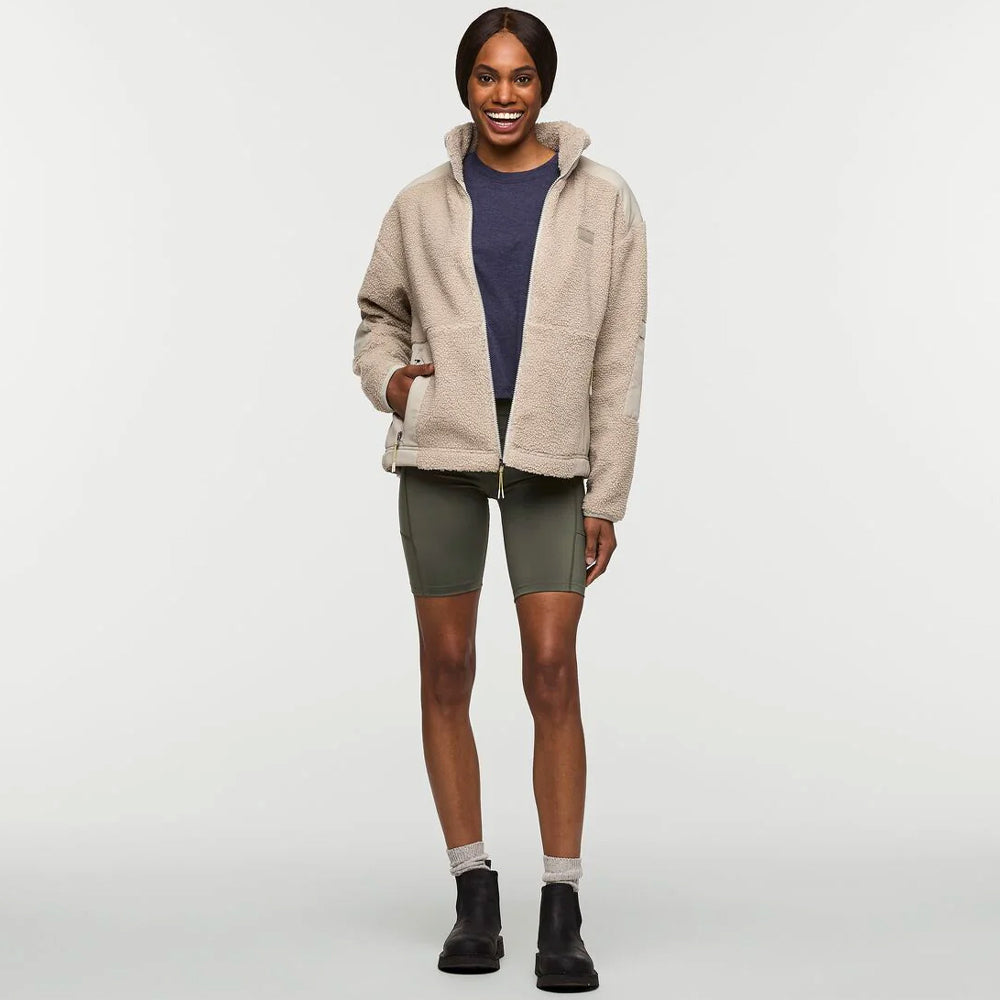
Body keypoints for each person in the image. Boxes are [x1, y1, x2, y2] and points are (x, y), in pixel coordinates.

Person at [352, 7, 646, 992]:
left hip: (553, 453)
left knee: (552, 670)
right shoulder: (419, 203)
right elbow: (377, 316)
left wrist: (607, 491)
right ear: (465, 85)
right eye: (487, 76)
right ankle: (473, 890)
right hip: (443, 446)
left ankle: (561, 904)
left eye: (521, 76)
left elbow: (620, 355)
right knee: (447, 666)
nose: (504, 94)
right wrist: (396, 384)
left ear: (544, 85)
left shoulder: (604, 200)